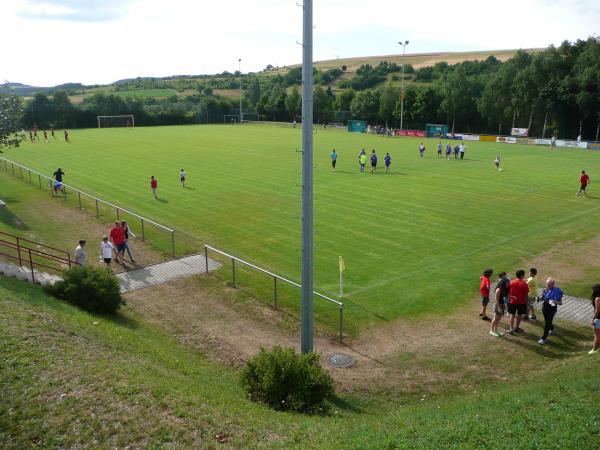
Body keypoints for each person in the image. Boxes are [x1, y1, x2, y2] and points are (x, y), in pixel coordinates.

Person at [537, 277, 563, 345]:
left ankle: (543, 338)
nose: (548, 286)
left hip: (552, 309)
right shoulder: (545, 290)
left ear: (553, 284)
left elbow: (560, 302)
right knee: (547, 321)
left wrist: (554, 301)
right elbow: (543, 298)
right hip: (545, 308)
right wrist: (539, 298)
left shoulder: (557, 291)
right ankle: (551, 328)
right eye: (547, 284)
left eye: (549, 284)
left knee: (547, 324)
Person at [508, 269, 529, 334]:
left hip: (512, 302)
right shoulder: (524, 284)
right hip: (521, 302)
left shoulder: (511, 282)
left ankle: (511, 328)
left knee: (512, 315)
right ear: (522, 275)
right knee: (519, 315)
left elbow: (508, 292)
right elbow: (526, 295)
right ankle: (517, 327)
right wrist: (526, 302)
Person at [590, 284, 600, 354]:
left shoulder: (597, 298)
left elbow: (597, 310)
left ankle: (594, 350)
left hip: (598, 318)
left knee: (597, 335)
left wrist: (593, 319)